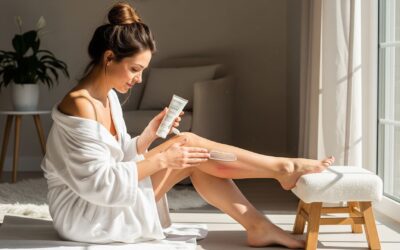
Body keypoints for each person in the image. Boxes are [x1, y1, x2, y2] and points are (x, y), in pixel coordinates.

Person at [41, 2, 335, 249]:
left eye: (142, 71)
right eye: (134, 69)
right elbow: (99, 185)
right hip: (86, 216)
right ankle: (280, 171)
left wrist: (149, 135)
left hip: (103, 202)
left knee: (190, 151)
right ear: (109, 58)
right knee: (187, 145)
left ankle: (260, 219)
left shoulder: (106, 98)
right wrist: (162, 158)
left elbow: (117, 158)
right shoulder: (80, 104)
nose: (138, 80)